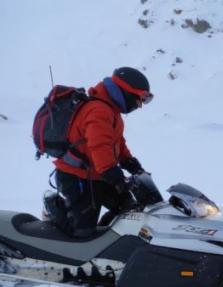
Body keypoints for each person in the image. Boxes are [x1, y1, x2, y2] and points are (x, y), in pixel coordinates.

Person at [44, 67, 153, 237]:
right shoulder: (98, 110)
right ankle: (54, 207)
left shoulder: (111, 111)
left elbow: (116, 142)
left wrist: (130, 163)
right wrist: (115, 176)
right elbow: (99, 145)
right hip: (77, 177)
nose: (139, 106)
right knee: (81, 232)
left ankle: (106, 246)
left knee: (129, 212)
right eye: (139, 99)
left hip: (98, 174)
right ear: (126, 92)